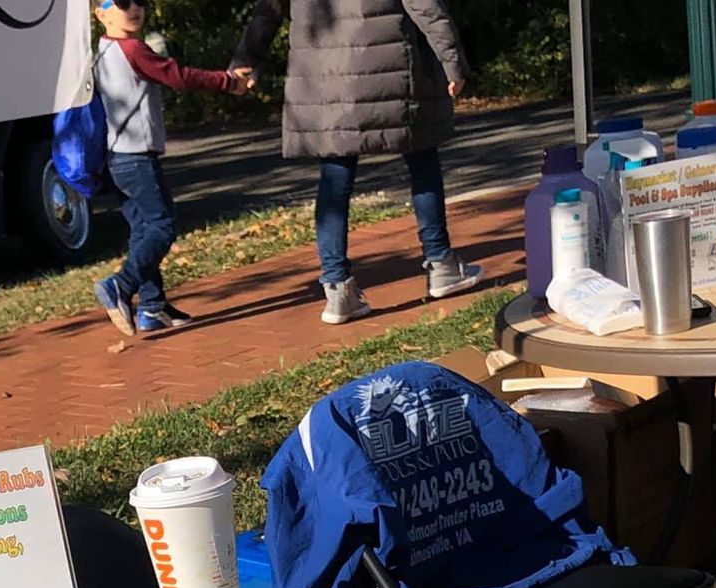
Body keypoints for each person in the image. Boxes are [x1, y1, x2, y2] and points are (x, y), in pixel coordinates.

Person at [231, 0, 482, 326]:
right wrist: (452, 60)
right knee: (422, 158)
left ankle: (337, 288)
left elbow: (269, 9)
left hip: (323, 80)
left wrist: (247, 58)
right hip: (392, 70)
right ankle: (441, 264)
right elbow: (423, 4)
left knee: (335, 177)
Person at [93, 0, 253, 337]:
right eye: (121, 3)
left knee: (142, 231)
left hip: (116, 158)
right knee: (162, 227)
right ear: (101, 12)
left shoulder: (102, 50)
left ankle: (153, 306)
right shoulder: (133, 50)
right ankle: (120, 286)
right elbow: (178, 77)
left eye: (139, 0)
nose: (133, 7)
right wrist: (228, 82)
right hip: (136, 158)